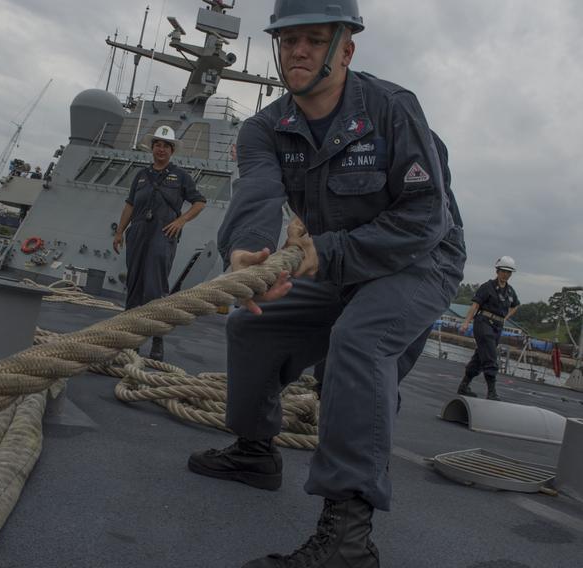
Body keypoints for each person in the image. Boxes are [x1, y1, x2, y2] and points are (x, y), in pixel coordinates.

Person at [188, 1, 467, 566]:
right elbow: (257, 196)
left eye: (315, 39)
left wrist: (326, 254)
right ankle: (255, 451)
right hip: (329, 260)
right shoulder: (265, 128)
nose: (298, 51)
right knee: (250, 325)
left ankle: (347, 539)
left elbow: (423, 219)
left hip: (418, 260)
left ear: (345, 48)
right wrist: (245, 255)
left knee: (360, 343)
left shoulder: (392, 110)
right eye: (289, 40)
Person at [113, 126, 207, 361]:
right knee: (134, 287)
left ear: (172, 149)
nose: (161, 149)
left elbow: (199, 202)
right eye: (157, 144)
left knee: (155, 289)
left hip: (162, 235)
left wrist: (181, 221)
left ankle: (157, 340)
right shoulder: (141, 176)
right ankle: (131, 341)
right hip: (137, 234)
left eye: (165, 145)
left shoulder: (181, 176)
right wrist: (120, 231)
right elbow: (130, 205)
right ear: (152, 147)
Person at [457, 256, 520, 400]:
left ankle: (464, 385)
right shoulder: (487, 287)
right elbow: (475, 305)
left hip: (498, 326)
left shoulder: (510, 291)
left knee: (480, 357)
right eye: (503, 271)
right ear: (497, 271)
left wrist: (505, 318)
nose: (506, 274)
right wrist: (466, 322)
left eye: (509, 272)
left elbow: (515, 305)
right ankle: (491, 391)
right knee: (491, 355)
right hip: (484, 323)